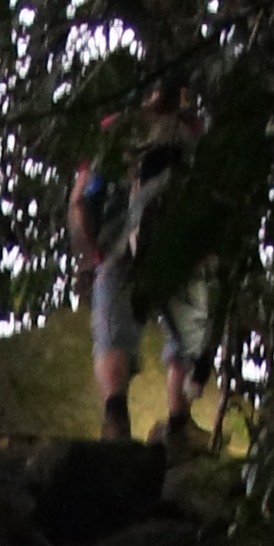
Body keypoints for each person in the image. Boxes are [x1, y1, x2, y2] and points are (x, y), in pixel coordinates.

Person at [69, 87, 217, 446]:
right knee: (186, 328)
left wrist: (90, 257)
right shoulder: (194, 132)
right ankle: (178, 422)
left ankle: (117, 419)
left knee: (114, 331)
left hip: (119, 240)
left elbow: (81, 200)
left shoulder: (116, 129)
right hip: (176, 239)